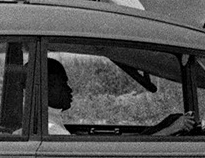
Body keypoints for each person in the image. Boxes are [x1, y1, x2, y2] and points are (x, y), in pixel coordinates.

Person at [45, 57, 196, 136]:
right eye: (63, 84)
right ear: (48, 86)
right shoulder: (52, 128)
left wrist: (163, 125)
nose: (69, 90)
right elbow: (137, 151)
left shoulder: (50, 121)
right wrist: (172, 129)